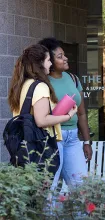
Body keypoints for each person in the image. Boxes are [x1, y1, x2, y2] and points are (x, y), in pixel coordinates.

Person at [8, 44, 77, 190]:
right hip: (44, 144)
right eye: (48, 60)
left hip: (24, 145)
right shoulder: (40, 86)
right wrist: (67, 116)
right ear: (40, 64)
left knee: (33, 191)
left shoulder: (20, 85)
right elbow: (42, 120)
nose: (50, 64)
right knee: (48, 191)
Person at [38, 38, 93, 189]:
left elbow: (81, 114)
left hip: (73, 139)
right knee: (51, 187)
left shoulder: (73, 79)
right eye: (60, 56)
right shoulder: (42, 83)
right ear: (48, 60)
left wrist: (86, 142)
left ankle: (82, 214)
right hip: (54, 137)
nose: (65, 58)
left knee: (82, 187)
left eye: (64, 55)